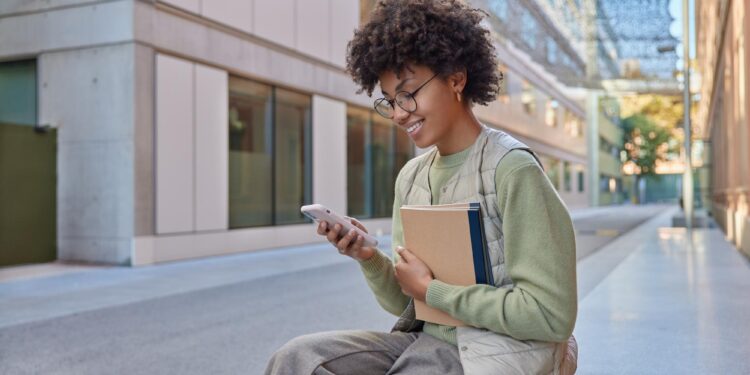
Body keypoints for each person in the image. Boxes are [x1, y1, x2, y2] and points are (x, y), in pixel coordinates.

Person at [265, 1, 578, 373]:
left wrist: (434, 291)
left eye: (409, 93)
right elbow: (409, 303)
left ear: (456, 79)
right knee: (299, 358)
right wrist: (369, 258)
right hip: (428, 342)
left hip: (499, 348)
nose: (399, 113)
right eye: (390, 100)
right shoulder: (411, 177)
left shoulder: (512, 170)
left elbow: (551, 315)